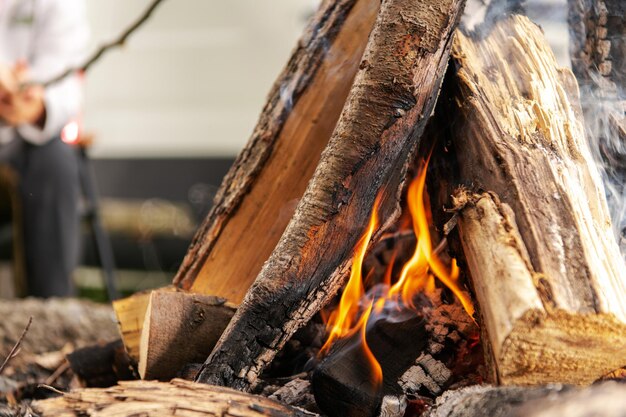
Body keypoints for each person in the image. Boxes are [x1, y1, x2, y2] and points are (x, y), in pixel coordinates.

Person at [0, 0, 89, 297]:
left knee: (55, 162)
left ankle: (51, 312)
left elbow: (63, 83)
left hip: (18, 142)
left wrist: (32, 103)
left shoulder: (57, 5)